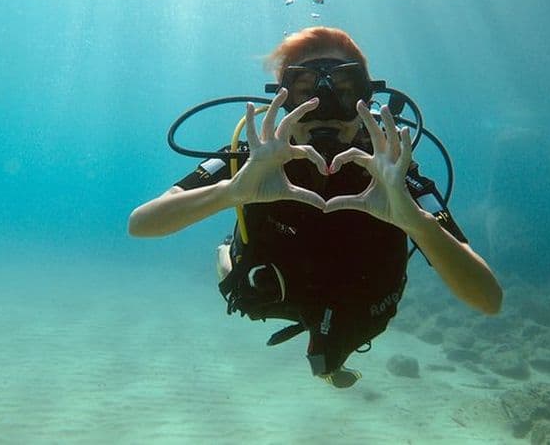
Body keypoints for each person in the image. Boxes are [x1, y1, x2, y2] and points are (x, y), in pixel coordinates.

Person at [129, 27, 502, 388]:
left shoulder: (394, 175)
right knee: (238, 287)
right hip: (269, 289)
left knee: (327, 360)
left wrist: (418, 223)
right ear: (281, 100)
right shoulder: (252, 160)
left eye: (344, 91)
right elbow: (141, 223)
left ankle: (326, 359)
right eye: (305, 92)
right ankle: (223, 252)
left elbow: (488, 299)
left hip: (358, 302)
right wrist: (231, 191)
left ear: (367, 99)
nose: (325, 111)